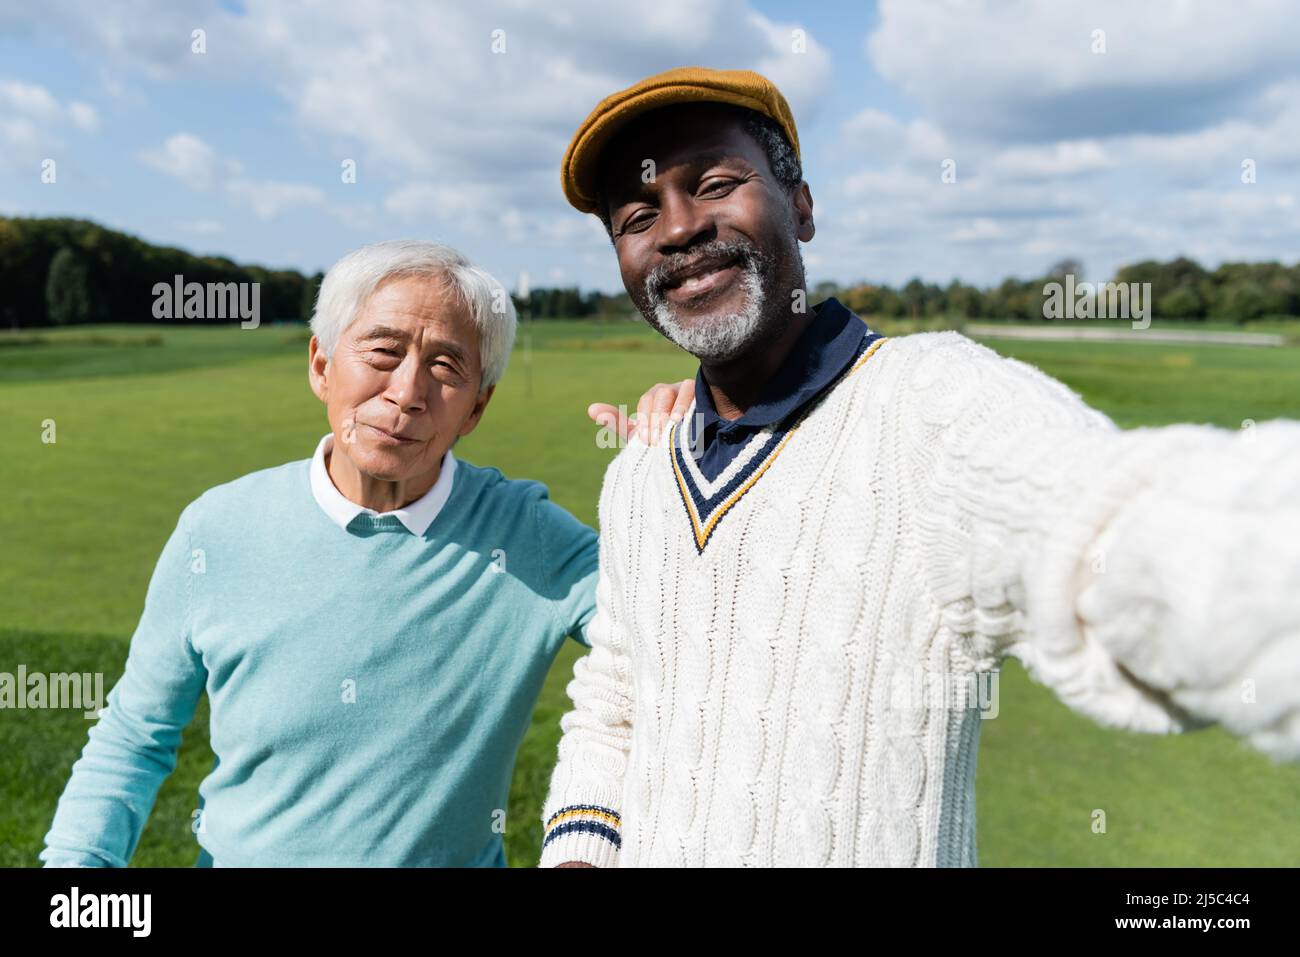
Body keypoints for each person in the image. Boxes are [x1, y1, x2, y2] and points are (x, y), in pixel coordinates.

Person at [539, 66, 1300, 867]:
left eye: (717, 183)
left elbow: (1108, 523)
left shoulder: (932, 402)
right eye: (637, 215)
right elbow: (616, 693)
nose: (679, 229)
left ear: (801, 205)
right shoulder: (641, 471)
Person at [40, 239, 690, 867]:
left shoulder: (527, 535)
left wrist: (683, 477)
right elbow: (134, 734)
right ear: (321, 365)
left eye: (445, 366)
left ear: (476, 408)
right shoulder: (215, 529)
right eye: (383, 350)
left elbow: (682, 637)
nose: (407, 391)